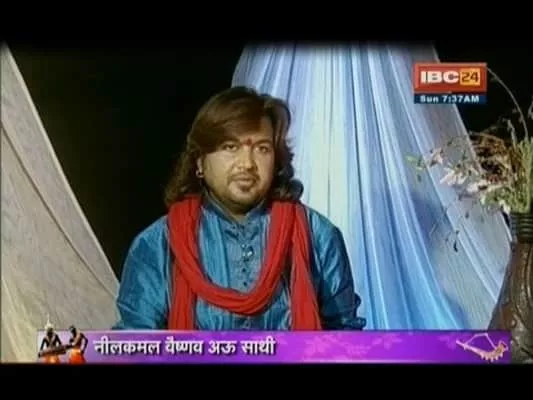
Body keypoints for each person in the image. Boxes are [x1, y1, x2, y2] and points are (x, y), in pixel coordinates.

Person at [113, 86, 365, 331]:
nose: (247, 163)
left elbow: (345, 338)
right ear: (199, 161)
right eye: (230, 147)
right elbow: (136, 343)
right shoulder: (158, 243)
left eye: (262, 149)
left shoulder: (317, 235)